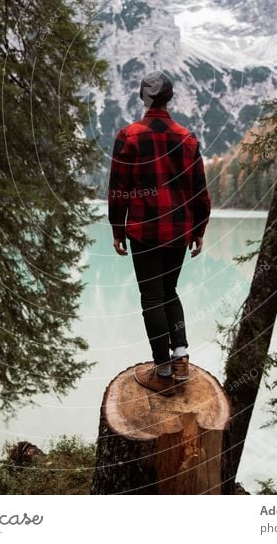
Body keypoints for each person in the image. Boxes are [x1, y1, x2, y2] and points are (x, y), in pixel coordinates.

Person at [107, 70, 211, 396]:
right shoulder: (188, 138)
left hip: (143, 230)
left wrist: (117, 228)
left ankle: (163, 368)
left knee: (152, 297)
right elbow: (200, 192)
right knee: (170, 292)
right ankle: (180, 355)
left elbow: (118, 189)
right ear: (169, 98)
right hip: (178, 230)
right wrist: (198, 229)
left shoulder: (129, 136)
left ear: (143, 97)